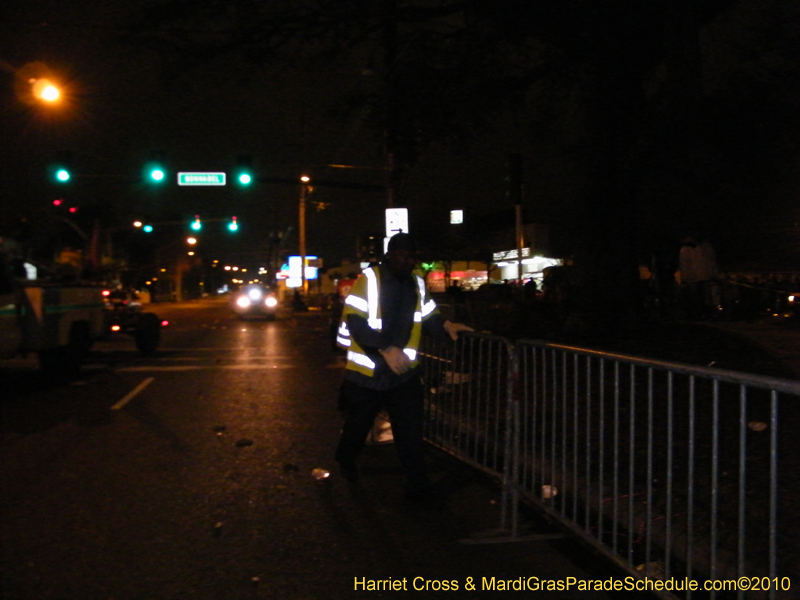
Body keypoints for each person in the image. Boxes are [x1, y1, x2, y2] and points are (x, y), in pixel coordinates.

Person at [334, 233, 472, 503]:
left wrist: (446, 328)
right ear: (390, 254)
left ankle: (418, 488)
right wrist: (385, 348)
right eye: (403, 255)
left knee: (410, 432)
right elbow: (356, 322)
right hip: (368, 375)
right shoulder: (369, 279)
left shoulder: (417, 284)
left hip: (403, 374)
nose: (408, 261)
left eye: (412, 257)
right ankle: (345, 460)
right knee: (357, 426)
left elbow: (430, 316)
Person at [678, 233, 719, 319]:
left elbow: (711, 261)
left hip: (704, 276)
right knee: (696, 298)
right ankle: (698, 314)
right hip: (694, 277)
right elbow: (684, 265)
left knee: (705, 297)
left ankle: (705, 314)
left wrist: (713, 274)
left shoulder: (706, 247)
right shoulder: (687, 249)